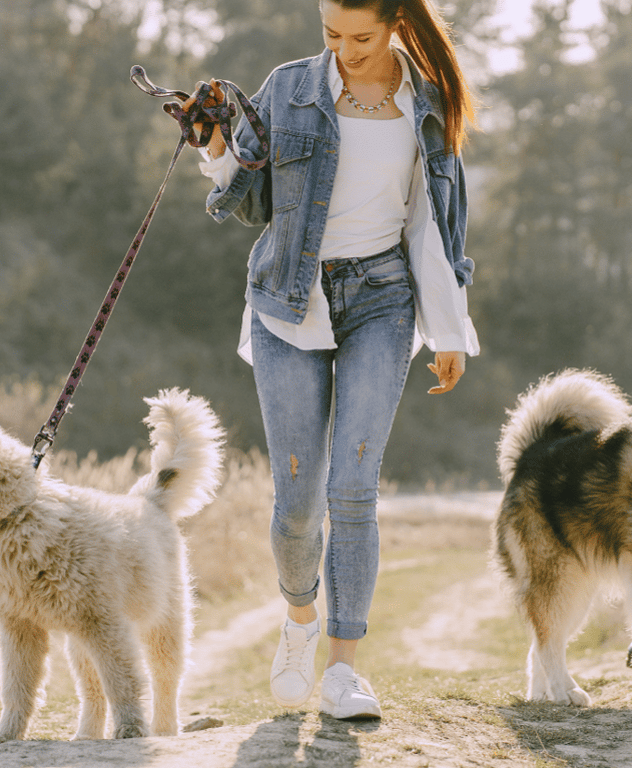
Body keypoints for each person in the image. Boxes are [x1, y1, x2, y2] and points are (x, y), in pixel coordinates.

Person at [185, 0, 479, 720]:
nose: (345, 50)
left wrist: (449, 328)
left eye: (362, 36)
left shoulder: (430, 104)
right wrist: (215, 147)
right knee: (296, 503)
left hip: (383, 300)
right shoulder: (290, 88)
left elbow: (437, 224)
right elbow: (255, 200)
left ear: (398, 24)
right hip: (289, 300)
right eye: (332, 34)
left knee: (354, 488)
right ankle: (299, 620)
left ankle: (345, 671)